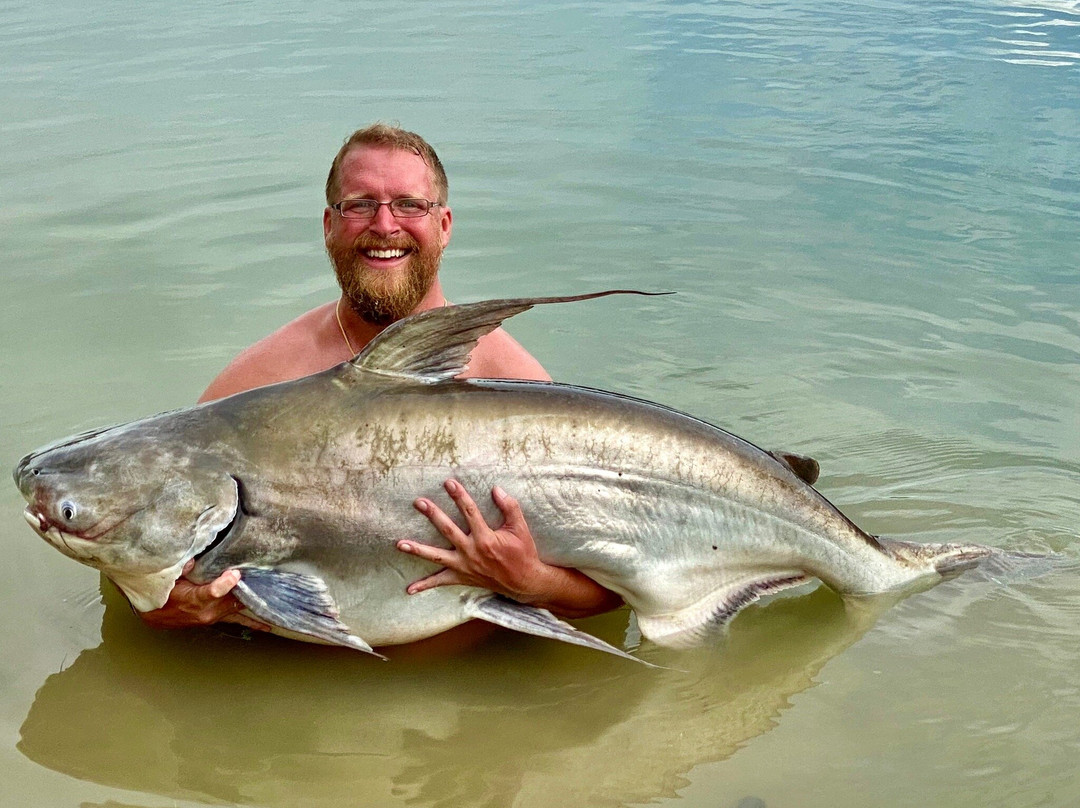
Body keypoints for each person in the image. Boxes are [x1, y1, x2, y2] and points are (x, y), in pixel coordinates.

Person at [139, 124, 623, 634]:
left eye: (410, 204)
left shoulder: (513, 384)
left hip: (480, 690)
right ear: (329, 225)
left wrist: (534, 582)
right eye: (360, 204)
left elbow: (622, 590)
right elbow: (129, 534)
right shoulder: (264, 379)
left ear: (445, 225)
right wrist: (162, 609)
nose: (385, 225)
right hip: (293, 686)